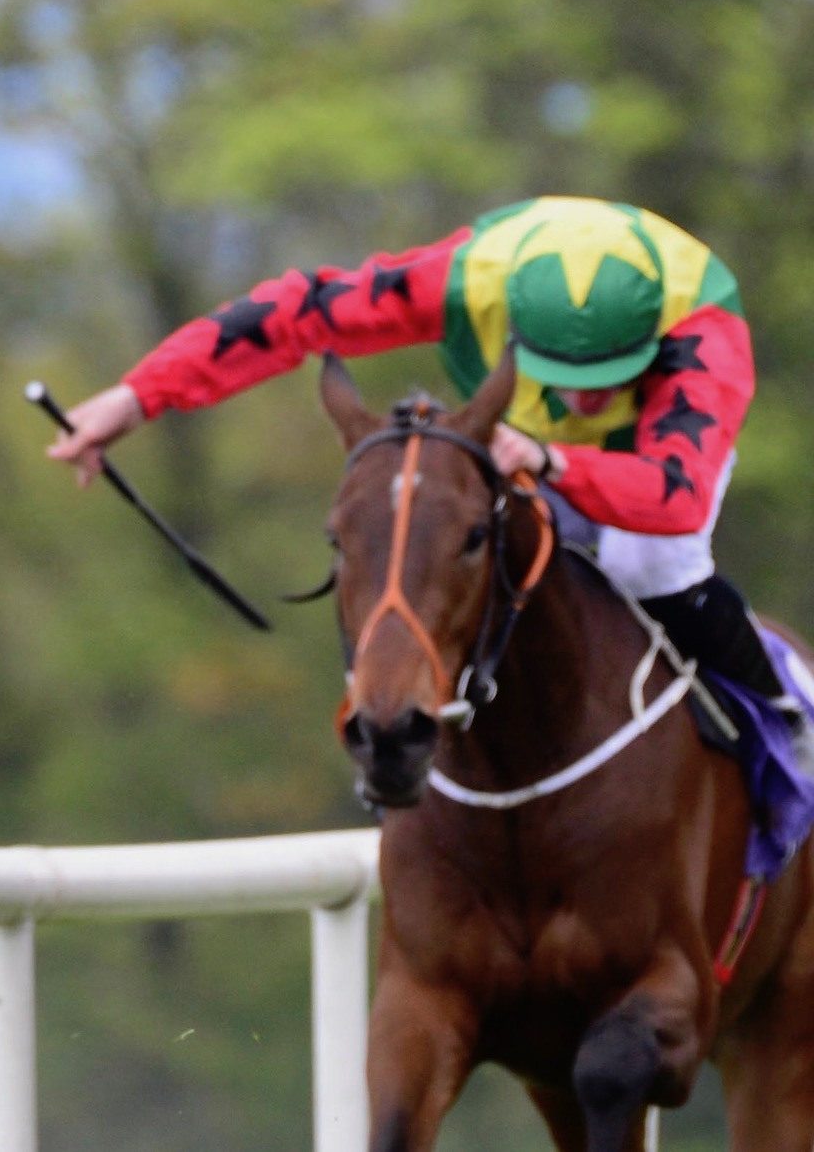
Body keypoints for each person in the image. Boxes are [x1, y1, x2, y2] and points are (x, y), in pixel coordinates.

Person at [47, 194, 814, 766]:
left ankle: (786, 716)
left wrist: (557, 459)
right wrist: (138, 395)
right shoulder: (459, 279)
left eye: (606, 378)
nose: (581, 400)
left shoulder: (705, 328)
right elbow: (293, 315)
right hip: (517, 439)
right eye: (563, 374)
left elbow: (673, 500)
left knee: (647, 562)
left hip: (640, 468)